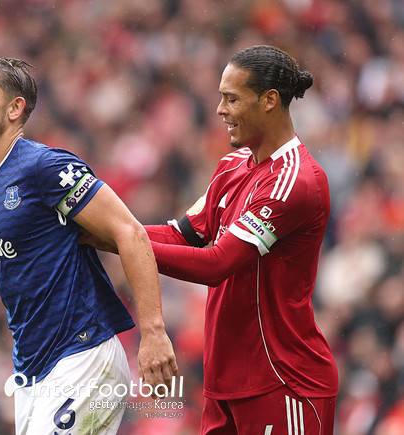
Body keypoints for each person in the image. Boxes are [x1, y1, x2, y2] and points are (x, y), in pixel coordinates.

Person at [86, 45, 338, 434]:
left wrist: (119, 241)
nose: (220, 110)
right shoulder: (232, 167)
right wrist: (101, 227)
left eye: (232, 99)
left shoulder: (296, 181)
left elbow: (217, 263)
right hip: (225, 382)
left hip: (282, 381)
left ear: (269, 101)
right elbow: (180, 235)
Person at [0, 57, 177, 435]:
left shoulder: (44, 166)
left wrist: (154, 332)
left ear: (15, 108)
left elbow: (130, 232)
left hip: (83, 354)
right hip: (34, 371)